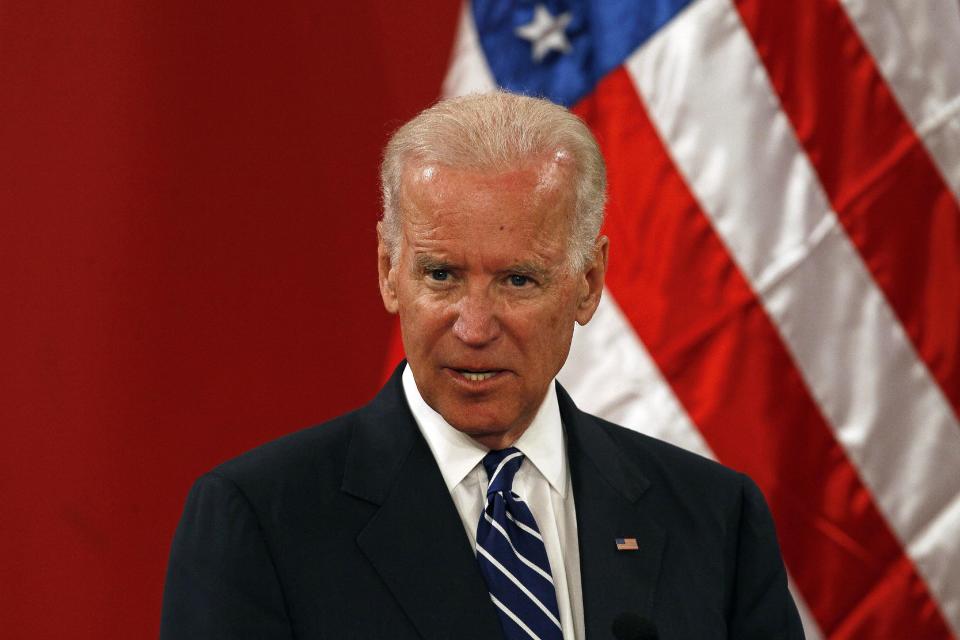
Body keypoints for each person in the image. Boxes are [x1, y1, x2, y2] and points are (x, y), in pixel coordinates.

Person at [161, 91, 804, 639]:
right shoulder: (262, 520)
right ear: (390, 272)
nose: (473, 327)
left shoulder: (714, 519)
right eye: (441, 275)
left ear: (587, 283)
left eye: (518, 281)